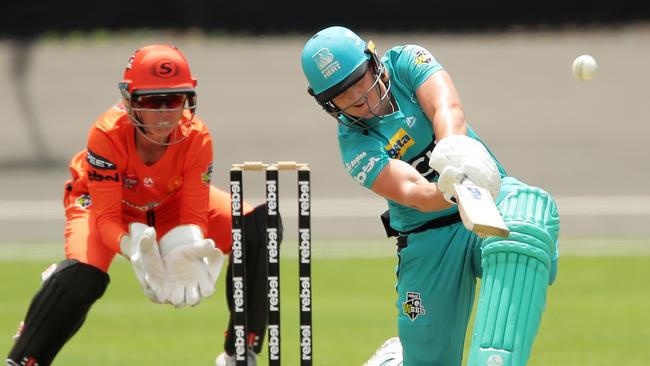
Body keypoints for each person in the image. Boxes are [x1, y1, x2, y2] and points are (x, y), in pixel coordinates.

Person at [301, 26, 560, 365]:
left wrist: (457, 154)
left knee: (526, 220)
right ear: (328, 104)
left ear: (373, 61)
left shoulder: (408, 61)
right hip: (428, 238)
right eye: (343, 95)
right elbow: (411, 191)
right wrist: (449, 192)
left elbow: (446, 107)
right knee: (428, 359)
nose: (359, 100)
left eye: (360, 82)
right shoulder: (355, 145)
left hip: (489, 198)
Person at [6, 44, 278, 366]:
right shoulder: (106, 134)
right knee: (82, 277)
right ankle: (26, 354)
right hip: (103, 205)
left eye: (174, 100)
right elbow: (106, 218)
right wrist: (132, 247)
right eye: (152, 101)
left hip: (168, 203)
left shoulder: (197, 136)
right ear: (130, 100)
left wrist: (186, 246)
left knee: (257, 224)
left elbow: (193, 213)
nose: (164, 114)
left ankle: (239, 352)